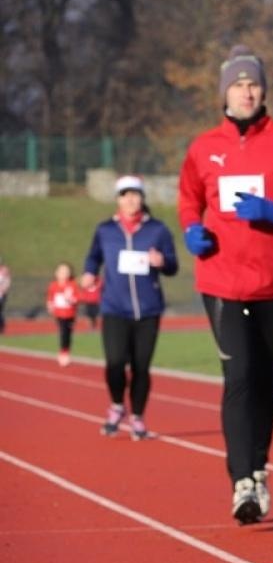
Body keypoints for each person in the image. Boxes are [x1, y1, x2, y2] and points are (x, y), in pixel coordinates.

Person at [178, 44, 273, 524]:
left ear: (264, 90)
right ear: (225, 92)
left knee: (265, 382)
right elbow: (188, 199)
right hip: (221, 280)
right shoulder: (204, 148)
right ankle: (242, 479)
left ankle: (258, 467)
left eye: (253, 83)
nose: (247, 91)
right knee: (239, 378)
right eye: (239, 84)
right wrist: (191, 232)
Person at [82, 175, 179, 440]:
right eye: (125, 195)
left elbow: (172, 265)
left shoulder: (157, 230)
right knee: (114, 363)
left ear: (142, 198)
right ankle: (116, 405)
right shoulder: (106, 230)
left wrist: (161, 261)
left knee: (141, 367)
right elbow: (93, 257)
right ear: (118, 200)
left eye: (135, 194)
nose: (131, 199)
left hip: (148, 310)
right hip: (114, 307)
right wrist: (89, 273)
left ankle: (137, 416)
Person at [45, 262, 80, 366]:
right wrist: (49, 305)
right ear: (56, 273)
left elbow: (77, 297)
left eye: (66, 271)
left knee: (67, 333)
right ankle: (63, 352)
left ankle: (65, 351)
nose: (63, 273)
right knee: (63, 332)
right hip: (59, 314)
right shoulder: (53, 285)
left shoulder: (72, 285)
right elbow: (50, 297)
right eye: (61, 271)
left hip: (70, 314)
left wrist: (72, 299)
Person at [0, 255, 11, 335]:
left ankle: (2, 327)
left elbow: (7, 282)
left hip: (1, 294)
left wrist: (4, 290)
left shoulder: (4, 270)